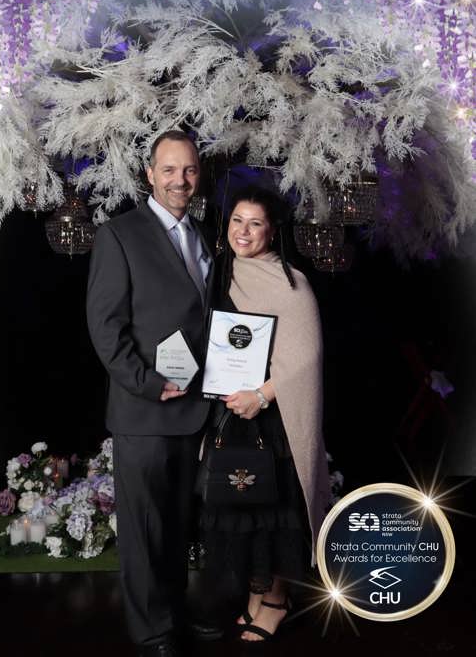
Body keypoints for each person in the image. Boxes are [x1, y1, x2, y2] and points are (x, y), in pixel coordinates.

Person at [86, 131, 217, 657]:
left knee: (178, 525)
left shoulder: (205, 233)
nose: (179, 181)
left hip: (194, 408)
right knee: (143, 530)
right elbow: (104, 325)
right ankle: (151, 631)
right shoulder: (119, 234)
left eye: (188, 171)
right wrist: (146, 383)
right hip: (143, 410)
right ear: (149, 174)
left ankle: (177, 615)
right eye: (169, 170)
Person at [199, 185, 331, 643]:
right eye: (237, 220)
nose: (244, 231)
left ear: (272, 231)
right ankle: (256, 594)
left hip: (272, 417)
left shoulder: (290, 281)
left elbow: (307, 359)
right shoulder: (221, 272)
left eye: (255, 223)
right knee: (245, 509)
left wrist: (263, 394)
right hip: (233, 414)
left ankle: (276, 601)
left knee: (274, 511)